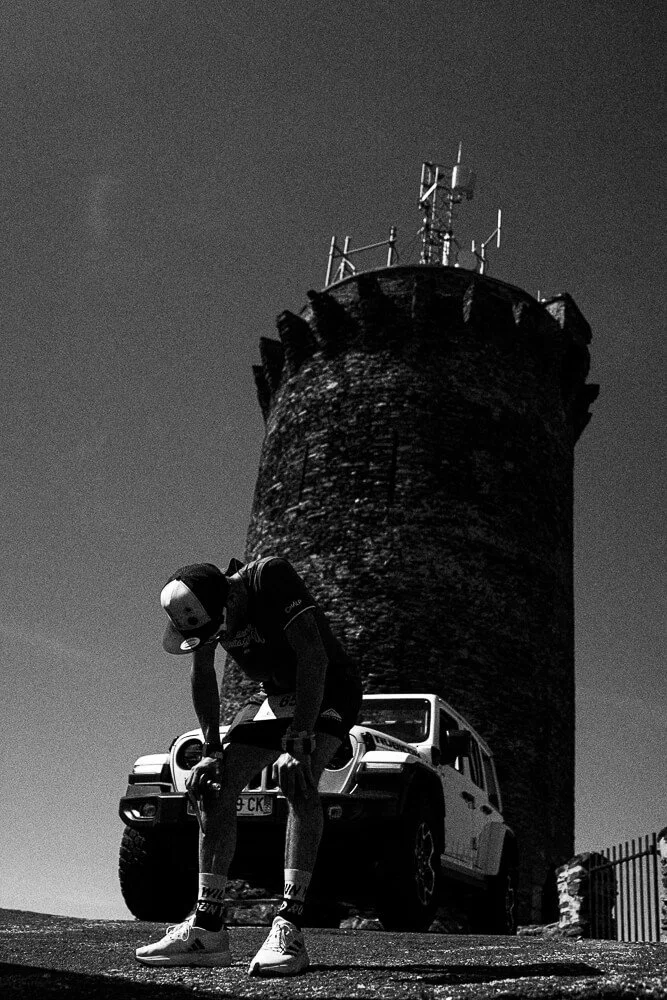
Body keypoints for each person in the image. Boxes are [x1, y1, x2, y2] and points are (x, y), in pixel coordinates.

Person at [136, 556, 362, 977]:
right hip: (273, 694)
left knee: (299, 779)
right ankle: (207, 927)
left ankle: (289, 926)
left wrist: (299, 739)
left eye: (218, 630)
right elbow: (203, 676)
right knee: (214, 785)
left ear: (230, 596)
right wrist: (210, 749)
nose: (216, 639)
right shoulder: (204, 614)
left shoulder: (268, 577)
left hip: (328, 687)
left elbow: (313, 656)